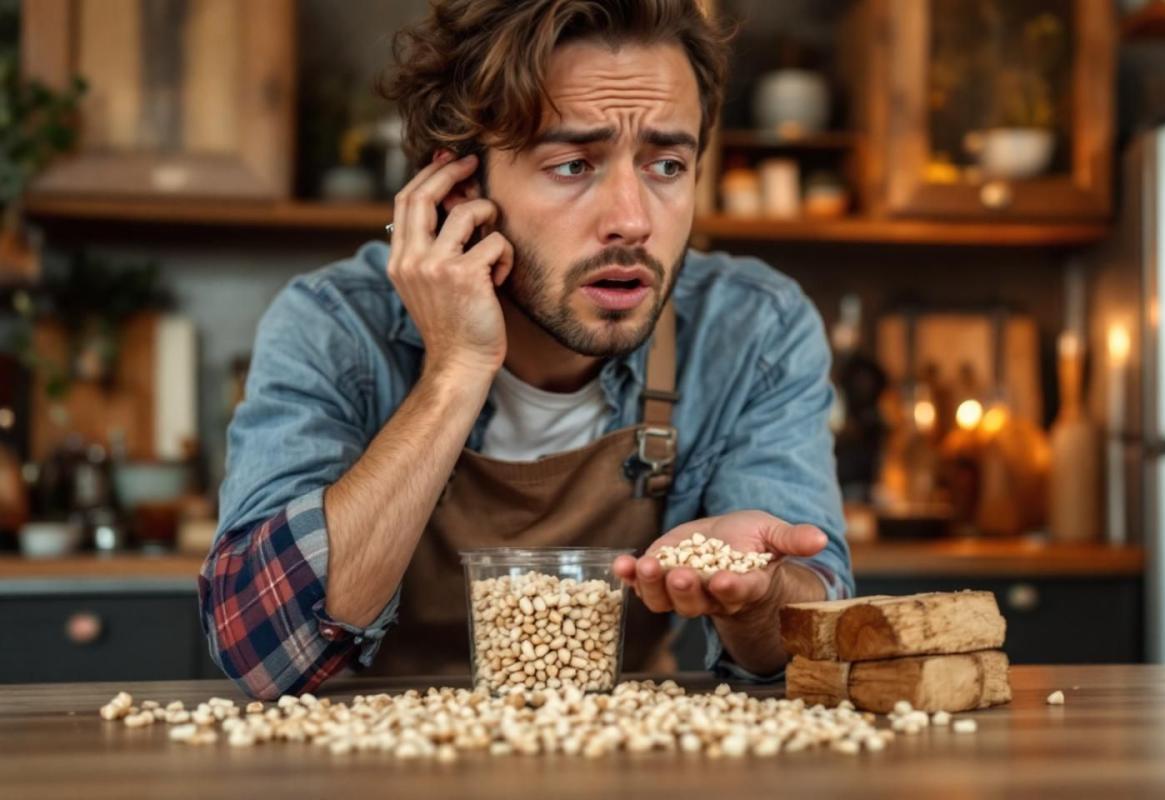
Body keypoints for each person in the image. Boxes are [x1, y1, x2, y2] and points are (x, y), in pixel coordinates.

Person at [200, 0, 852, 700]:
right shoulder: (334, 324)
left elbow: (811, 652)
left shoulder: (752, 328)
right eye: (573, 165)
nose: (632, 221)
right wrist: (454, 372)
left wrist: (760, 595)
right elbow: (259, 653)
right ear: (461, 189)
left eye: (666, 164)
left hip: (625, 750)